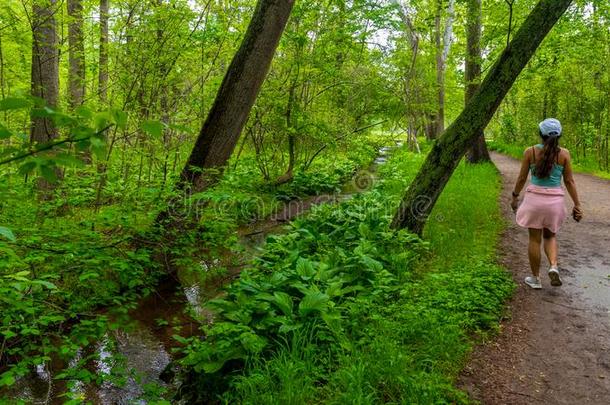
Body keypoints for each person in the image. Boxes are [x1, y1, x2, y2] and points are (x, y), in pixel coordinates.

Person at [510, 118, 583, 289]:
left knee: (534, 240)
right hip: (554, 203)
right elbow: (569, 181)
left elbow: (521, 178)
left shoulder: (531, 152)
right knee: (550, 236)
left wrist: (515, 196)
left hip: (534, 201)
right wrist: (577, 204)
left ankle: (535, 279)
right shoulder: (564, 154)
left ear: (541, 134)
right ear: (560, 135)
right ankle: (553, 266)